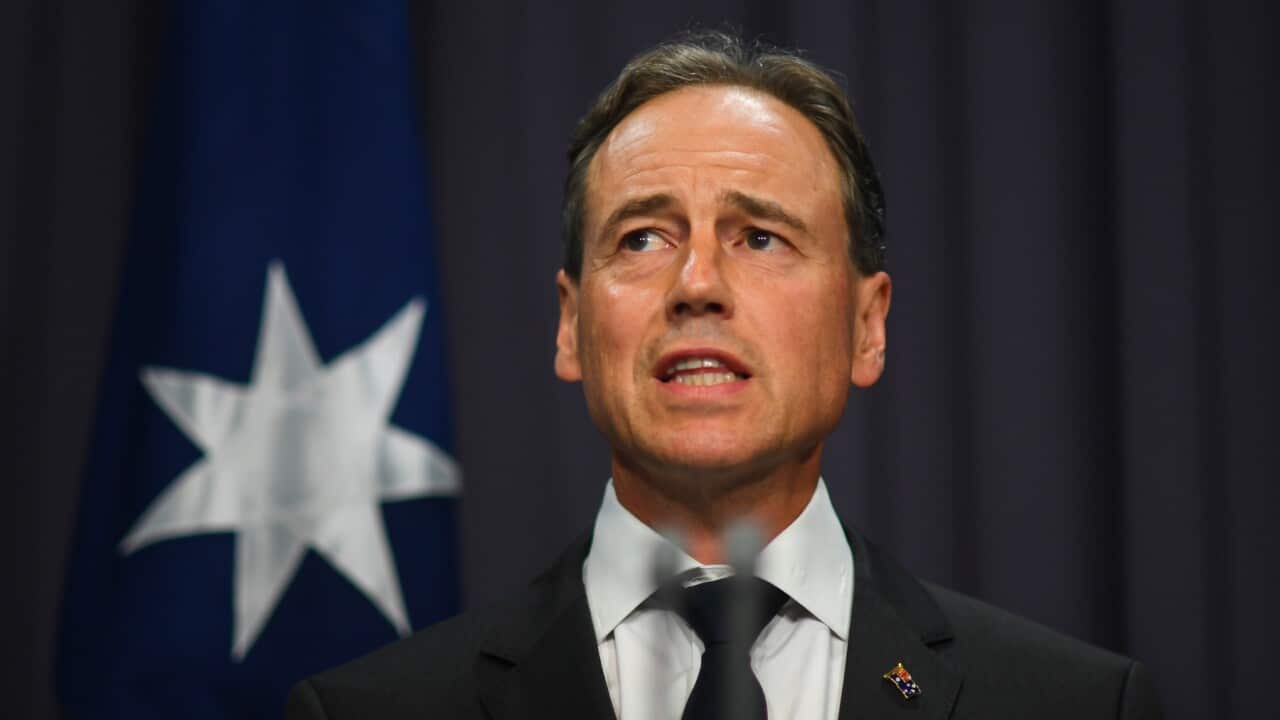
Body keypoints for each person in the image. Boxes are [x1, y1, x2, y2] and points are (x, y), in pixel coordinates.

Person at [285, 31, 1161, 719]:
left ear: (867, 326)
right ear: (570, 325)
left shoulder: (1074, 705)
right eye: (642, 239)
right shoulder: (369, 711)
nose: (697, 284)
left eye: (761, 237)